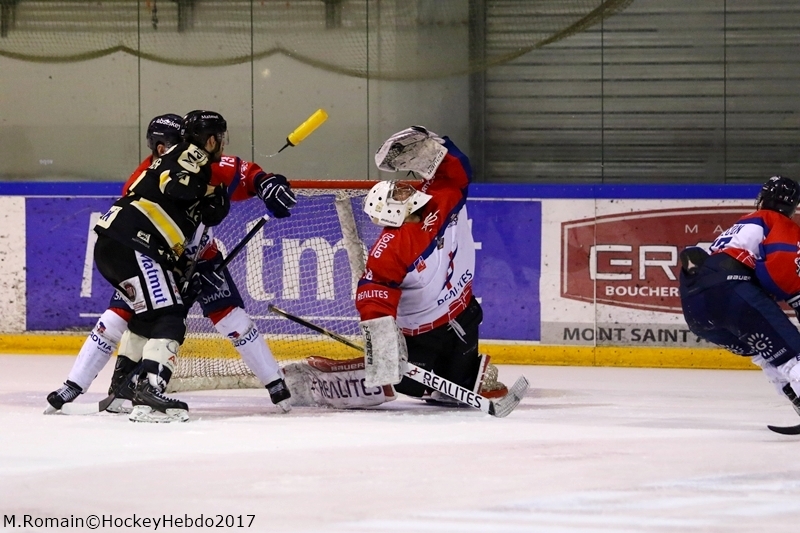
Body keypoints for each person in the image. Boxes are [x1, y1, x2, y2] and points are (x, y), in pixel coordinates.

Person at [46, 112, 298, 418]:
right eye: (159, 144)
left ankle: (275, 385)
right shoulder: (173, 165)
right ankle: (114, 385)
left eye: (171, 142)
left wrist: (266, 182)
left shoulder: (201, 162)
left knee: (228, 317)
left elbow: (243, 172)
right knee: (139, 315)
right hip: (151, 252)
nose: (164, 148)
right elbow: (169, 198)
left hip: (193, 256)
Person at [354, 126, 507, 406]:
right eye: (396, 193)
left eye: (400, 187)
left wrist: (437, 150)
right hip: (422, 335)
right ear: (391, 210)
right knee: (408, 386)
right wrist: (382, 344)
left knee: (456, 394)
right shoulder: (390, 246)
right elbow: (373, 291)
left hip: (463, 316)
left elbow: (458, 174)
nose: (403, 188)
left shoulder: (437, 199)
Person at [679, 175, 800, 416]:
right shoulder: (775, 221)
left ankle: (794, 396)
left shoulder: (740, 226)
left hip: (696, 311)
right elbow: (782, 266)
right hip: (732, 294)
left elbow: (692, 258)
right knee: (793, 355)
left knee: (766, 354)